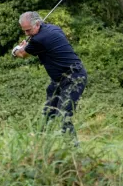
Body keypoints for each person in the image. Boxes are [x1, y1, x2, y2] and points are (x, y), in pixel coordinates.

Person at [12, 11, 87, 140]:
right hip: (58, 80)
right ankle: (40, 144)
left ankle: (73, 151)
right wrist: (28, 45)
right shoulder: (53, 28)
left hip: (74, 78)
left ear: (37, 24)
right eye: (24, 31)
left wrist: (16, 50)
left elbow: (22, 54)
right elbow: (34, 45)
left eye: (28, 30)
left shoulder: (39, 40)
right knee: (48, 112)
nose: (26, 34)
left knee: (64, 114)